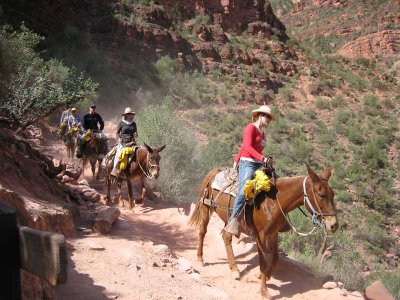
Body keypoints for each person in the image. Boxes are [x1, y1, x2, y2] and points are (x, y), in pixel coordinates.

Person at [224, 105, 276, 236]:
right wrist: (239, 159)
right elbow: (246, 146)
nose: (269, 119)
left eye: (270, 117)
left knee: (271, 186)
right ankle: (232, 221)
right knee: (243, 192)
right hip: (248, 163)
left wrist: (265, 160)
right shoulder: (250, 128)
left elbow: (254, 148)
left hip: (259, 164)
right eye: (267, 116)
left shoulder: (262, 132)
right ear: (260, 115)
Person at [110, 107, 138, 177]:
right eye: (128, 114)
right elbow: (117, 133)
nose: (130, 115)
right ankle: (114, 170)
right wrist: (119, 139)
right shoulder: (121, 123)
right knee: (118, 154)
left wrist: (136, 135)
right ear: (125, 115)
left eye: (131, 114)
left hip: (132, 142)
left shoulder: (134, 124)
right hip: (123, 142)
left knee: (140, 151)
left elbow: (135, 133)